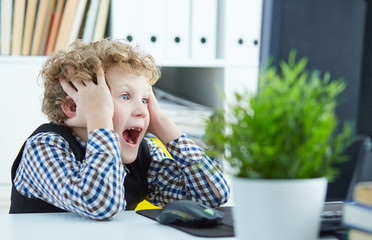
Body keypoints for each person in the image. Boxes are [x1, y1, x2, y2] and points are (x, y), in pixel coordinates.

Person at [9, 39, 230, 220]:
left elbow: (211, 195)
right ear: (73, 107)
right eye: (125, 96)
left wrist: (162, 123)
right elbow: (99, 203)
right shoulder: (44, 147)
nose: (143, 111)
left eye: (145, 99)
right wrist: (100, 119)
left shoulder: (143, 157)